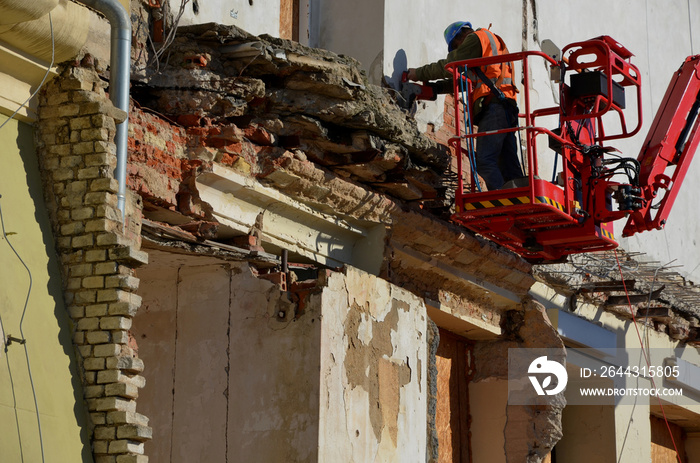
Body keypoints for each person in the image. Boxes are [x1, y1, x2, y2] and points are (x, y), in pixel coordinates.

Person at [407, 21, 524, 190]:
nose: (457, 50)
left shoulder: (476, 39)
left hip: (495, 107)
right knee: (508, 165)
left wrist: (418, 73)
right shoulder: (486, 52)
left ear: (461, 35)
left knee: (484, 162)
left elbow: (450, 65)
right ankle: (519, 198)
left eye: (456, 46)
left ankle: (503, 201)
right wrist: (434, 88)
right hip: (506, 107)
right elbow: (460, 79)